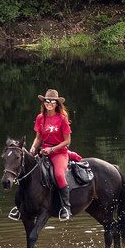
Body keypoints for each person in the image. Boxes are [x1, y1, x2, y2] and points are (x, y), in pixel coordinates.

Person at [29, 89, 77, 220]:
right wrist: (33, 147)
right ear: (44, 103)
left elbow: (67, 141)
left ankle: (66, 208)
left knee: (59, 174)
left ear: (56, 104)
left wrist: (52, 149)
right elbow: (38, 137)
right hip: (44, 151)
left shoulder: (62, 119)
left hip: (59, 153)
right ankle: (21, 206)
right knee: (26, 170)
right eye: (47, 101)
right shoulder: (40, 118)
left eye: (52, 101)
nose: (49, 103)